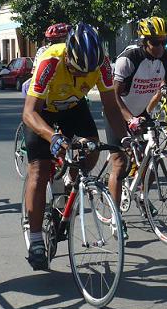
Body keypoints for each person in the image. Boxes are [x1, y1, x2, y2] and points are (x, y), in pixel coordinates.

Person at [21, 22, 122, 271]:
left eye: (85, 73)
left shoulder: (102, 64)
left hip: (74, 108)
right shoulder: (51, 60)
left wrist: (125, 140)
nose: (80, 76)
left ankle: (68, 186)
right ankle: (35, 240)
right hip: (43, 111)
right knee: (40, 170)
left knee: (92, 150)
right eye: (76, 70)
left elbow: (111, 107)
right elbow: (29, 113)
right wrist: (52, 137)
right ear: (68, 55)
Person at [109, 16, 167, 238]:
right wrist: (129, 119)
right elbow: (113, 96)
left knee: (152, 159)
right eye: (155, 42)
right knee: (120, 164)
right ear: (144, 41)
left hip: (142, 111)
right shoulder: (129, 59)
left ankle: (142, 195)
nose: (159, 47)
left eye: (163, 41)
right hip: (118, 113)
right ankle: (116, 218)